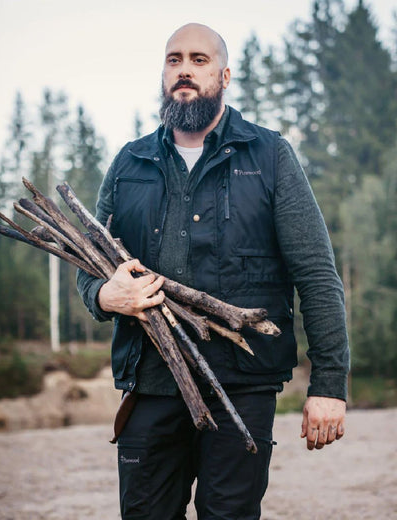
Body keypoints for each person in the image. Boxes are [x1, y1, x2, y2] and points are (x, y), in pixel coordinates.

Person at [77, 23, 349, 520]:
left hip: (241, 386)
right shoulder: (129, 163)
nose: (184, 70)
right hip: (150, 384)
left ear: (224, 76)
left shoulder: (270, 156)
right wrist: (103, 296)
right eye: (174, 59)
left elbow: (316, 274)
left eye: (199, 60)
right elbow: (89, 266)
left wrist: (329, 384)